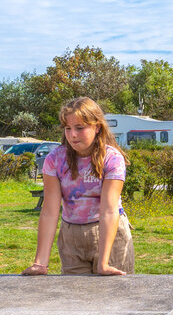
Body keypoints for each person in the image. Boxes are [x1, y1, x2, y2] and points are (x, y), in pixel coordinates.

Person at [22, 97, 134, 277]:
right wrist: (40, 263)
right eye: (68, 128)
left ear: (97, 127)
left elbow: (109, 210)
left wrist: (104, 263)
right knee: (75, 300)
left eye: (79, 128)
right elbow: (50, 211)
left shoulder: (112, 159)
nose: (72, 134)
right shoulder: (54, 160)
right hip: (71, 237)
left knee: (115, 300)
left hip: (110, 235)